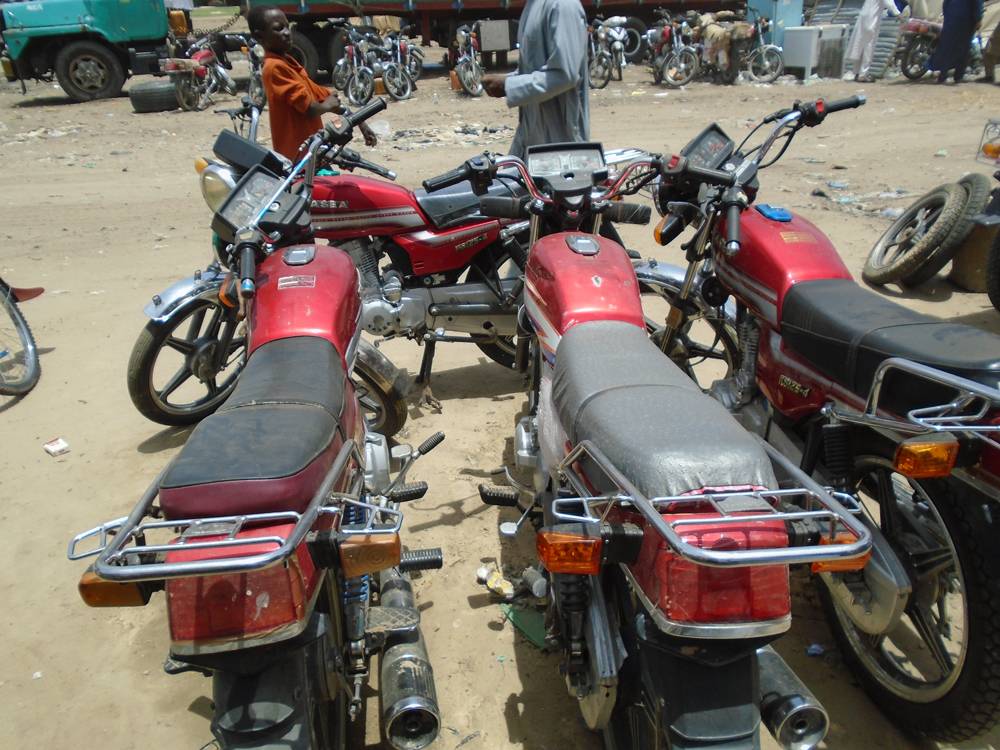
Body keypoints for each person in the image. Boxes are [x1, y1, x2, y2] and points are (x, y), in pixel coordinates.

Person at [246, 5, 377, 160]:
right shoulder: (274, 67)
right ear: (259, 37)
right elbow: (310, 108)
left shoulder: (288, 62)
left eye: (287, 27)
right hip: (297, 157)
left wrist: (359, 121)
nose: (287, 33)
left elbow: (321, 94)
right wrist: (327, 105)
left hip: (312, 152)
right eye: (279, 29)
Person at [481, 0, 589, 159]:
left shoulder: (562, 5)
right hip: (531, 136)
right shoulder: (533, 5)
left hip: (561, 143)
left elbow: (565, 74)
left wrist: (509, 86)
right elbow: (533, 69)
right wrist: (508, 80)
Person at [845, 0, 901, 82]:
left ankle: (856, 72)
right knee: (868, 48)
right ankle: (863, 74)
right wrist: (898, 14)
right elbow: (889, 3)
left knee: (859, 46)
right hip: (871, 21)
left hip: (863, 18)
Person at [929, 0, 984, 83]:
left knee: (947, 47)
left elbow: (946, 3)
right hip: (965, 19)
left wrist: (947, 15)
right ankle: (958, 76)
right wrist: (978, 19)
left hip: (951, 17)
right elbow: (977, 4)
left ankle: (943, 75)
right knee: (963, 48)